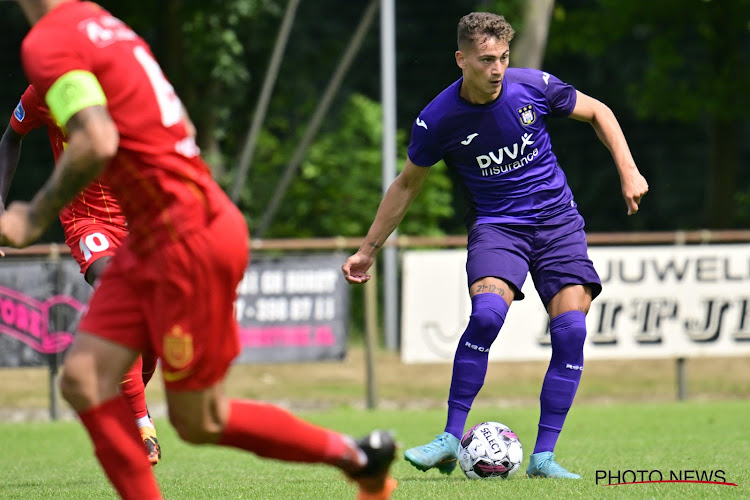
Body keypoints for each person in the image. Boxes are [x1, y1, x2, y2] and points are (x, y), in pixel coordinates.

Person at [2, 2, 396, 499]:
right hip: (161, 233)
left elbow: (96, 140)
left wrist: (28, 217)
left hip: (186, 234)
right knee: (82, 378)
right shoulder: (101, 27)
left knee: (200, 419)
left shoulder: (49, 40)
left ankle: (357, 457)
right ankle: (360, 459)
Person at [342, 12, 648, 479]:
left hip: (557, 223)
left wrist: (628, 169)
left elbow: (598, 112)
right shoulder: (438, 118)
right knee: (486, 316)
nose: (498, 69)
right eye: (487, 60)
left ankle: (543, 457)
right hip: (498, 225)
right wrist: (369, 249)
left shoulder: (534, 86)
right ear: (462, 59)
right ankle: (449, 438)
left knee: (571, 332)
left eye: (504, 57)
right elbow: (406, 186)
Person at [0, 84, 162, 466]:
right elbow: (10, 140)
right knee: (115, 292)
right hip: (87, 221)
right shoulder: (43, 91)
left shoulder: (124, 79)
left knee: (151, 329)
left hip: (139, 221)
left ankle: (125, 409)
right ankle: (142, 425)